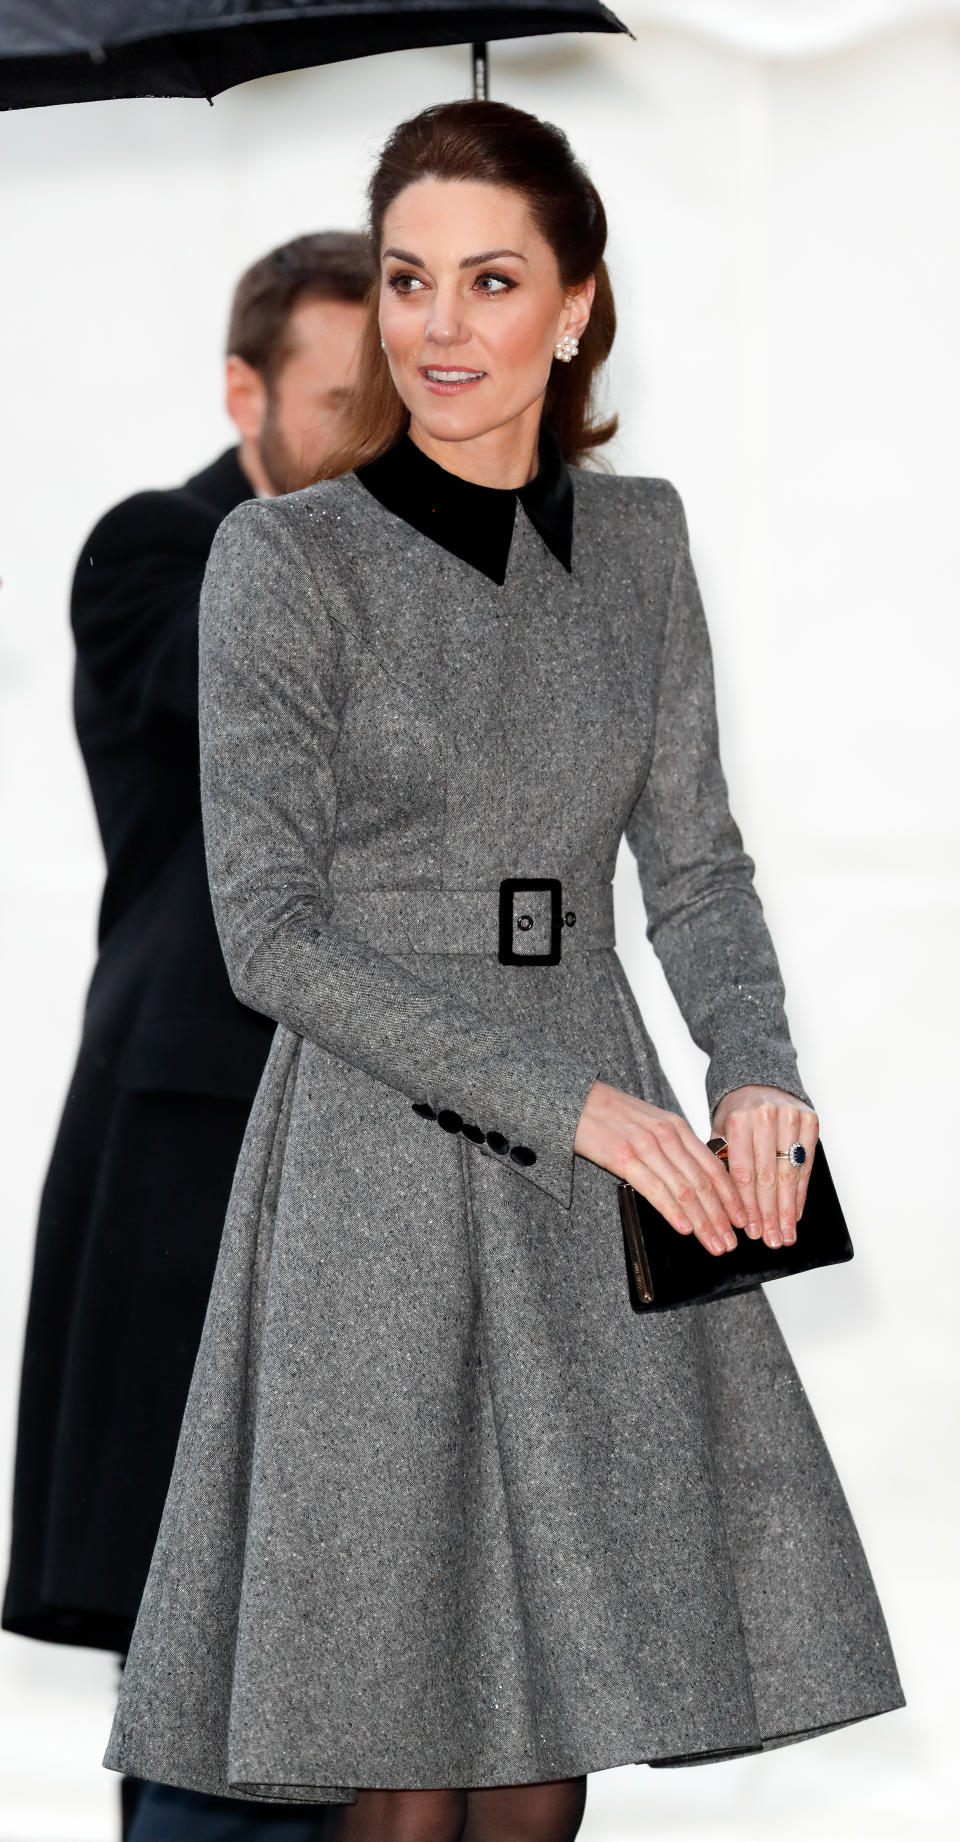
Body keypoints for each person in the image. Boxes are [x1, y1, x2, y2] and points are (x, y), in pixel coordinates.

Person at [102, 100, 905, 1841]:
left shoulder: (641, 544)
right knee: (405, 1719)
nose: (438, 325)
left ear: (577, 306)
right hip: (387, 1166)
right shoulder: (284, 559)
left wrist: (754, 1065)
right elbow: (272, 932)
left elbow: (692, 862)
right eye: (407, 279)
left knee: (560, 1703)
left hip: (597, 1173)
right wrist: (586, 1106)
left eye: (488, 279)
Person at [3, 231, 374, 1841]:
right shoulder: (160, 549)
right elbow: (258, 721)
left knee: (440, 1671)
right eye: (354, 400)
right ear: (248, 391)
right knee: (222, 1673)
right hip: (202, 1153)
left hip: (429, 1155)